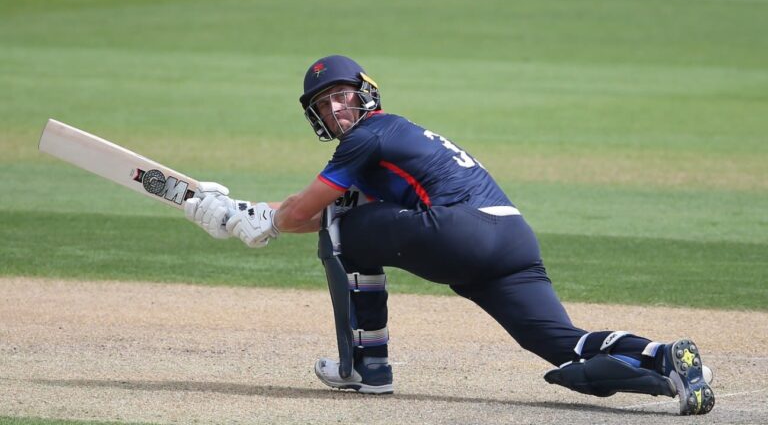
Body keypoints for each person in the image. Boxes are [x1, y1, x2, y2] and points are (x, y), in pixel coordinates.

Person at [183, 55, 715, 415]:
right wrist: (243, 213)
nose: (337, 109)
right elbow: (328, 211)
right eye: (325, 105)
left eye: (343, 96)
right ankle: (668, 363)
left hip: (460, 230)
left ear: (366, 94)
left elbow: (312, 212)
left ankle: (365, 368)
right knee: (561, 347)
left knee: (345, 234)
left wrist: (262, 222)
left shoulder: (369, 136)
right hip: (511, 238)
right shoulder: (392, 139)